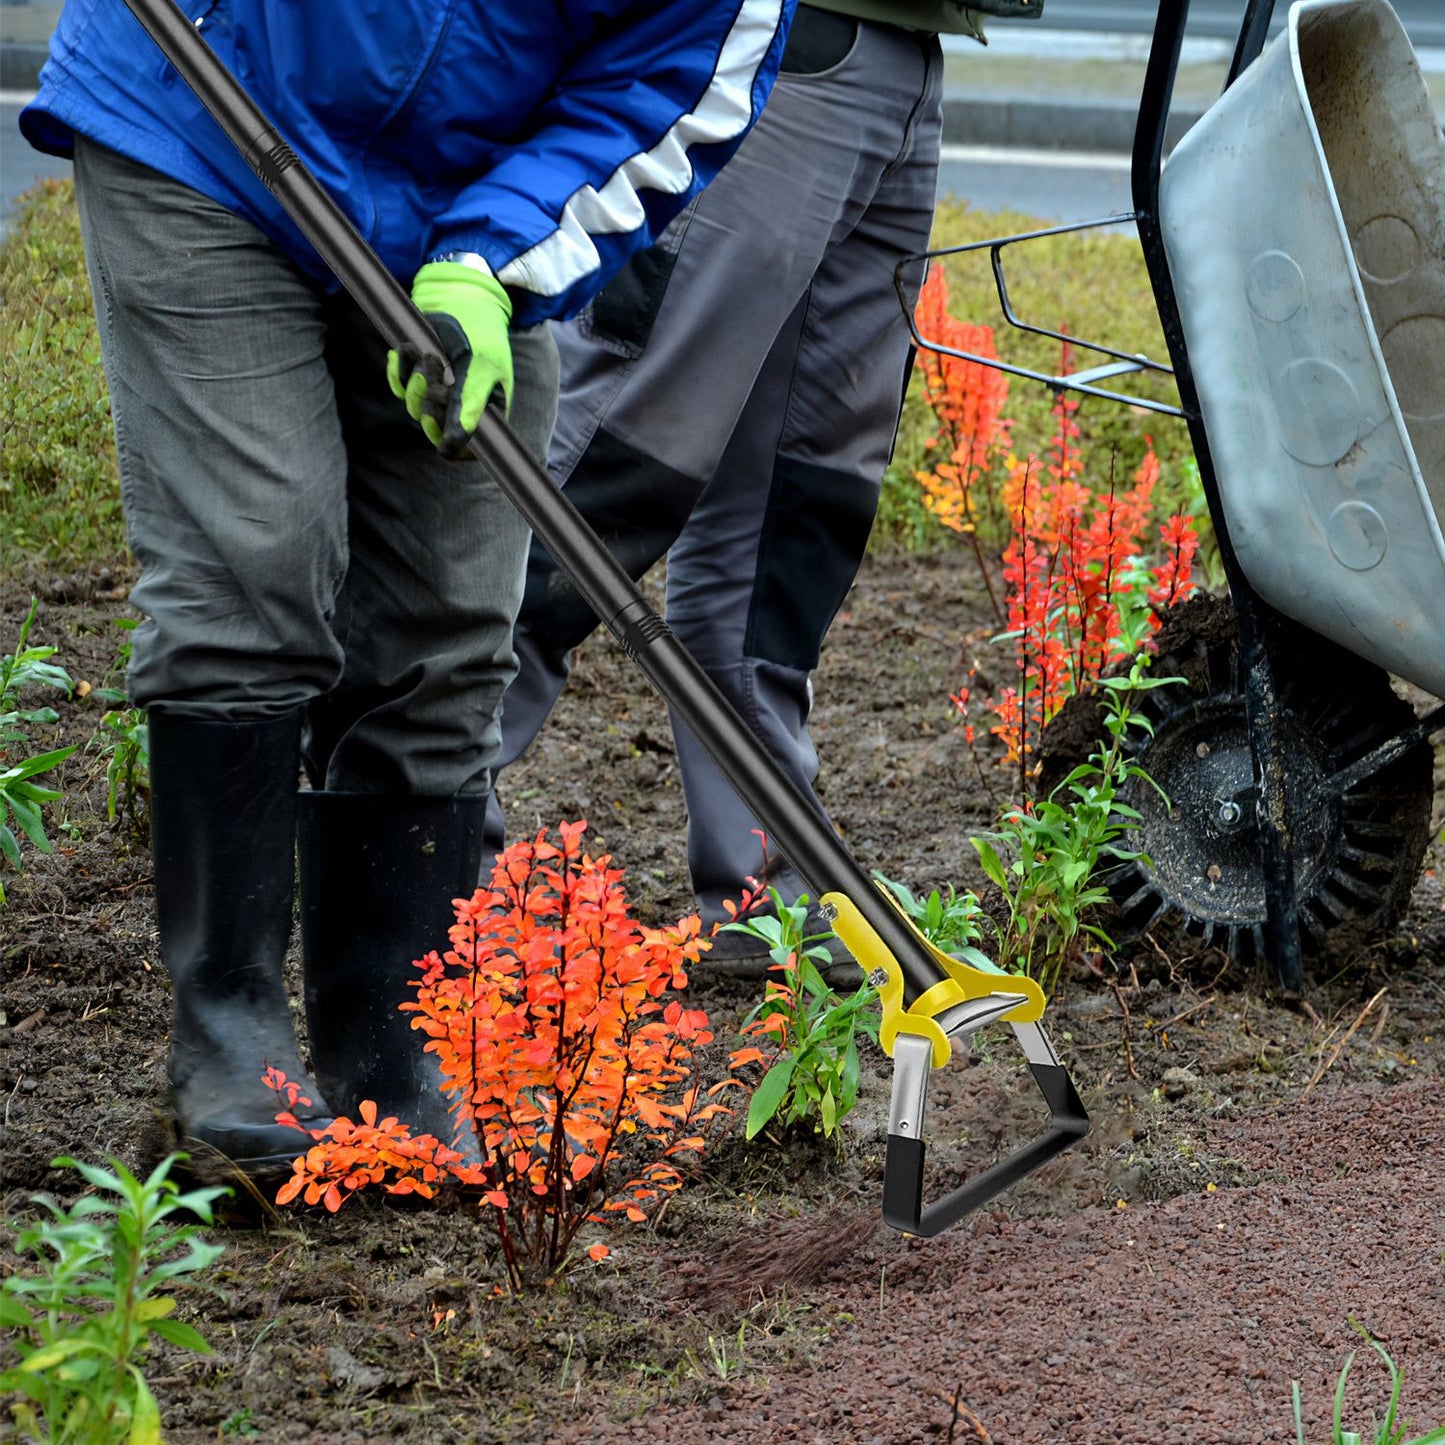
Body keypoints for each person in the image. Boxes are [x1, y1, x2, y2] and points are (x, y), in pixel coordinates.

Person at [20, 0, 793, 1176]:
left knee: (450, 615)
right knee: (255, 555)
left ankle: (396, 1046)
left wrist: (493, 257)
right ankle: (229, 1031)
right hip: (205, 118)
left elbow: (661, 88)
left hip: (472, 194)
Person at [486, 1, 1039, 978]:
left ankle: (764, 894)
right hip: (771, 45)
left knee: (797, 507)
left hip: (899, 53)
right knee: (609, 467)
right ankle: (419, 836)